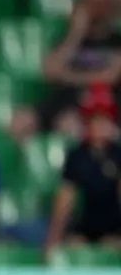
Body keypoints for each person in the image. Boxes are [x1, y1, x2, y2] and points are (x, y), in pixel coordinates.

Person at [45, 83, 121, 252]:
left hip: (115, 227)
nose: (100, 126)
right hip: (86, 225)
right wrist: (53, 237)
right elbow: (65, 198)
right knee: (74, 247)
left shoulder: (118, 154)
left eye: (105, 120)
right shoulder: (77, 156)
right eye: (95, 120)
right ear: (87, 123)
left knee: (112, 247)